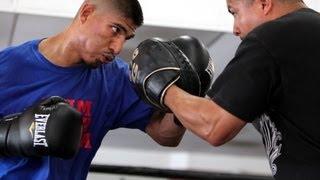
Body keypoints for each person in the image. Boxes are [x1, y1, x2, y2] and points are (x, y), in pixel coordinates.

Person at [131, 0, 320, 179]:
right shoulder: (308, 31)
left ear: (264, 3)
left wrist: (161, 83)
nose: (235, 29)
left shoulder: (272, 36)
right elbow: (167, 135)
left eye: (235, 12)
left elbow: (213, 126)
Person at [0, 0, 188, 179]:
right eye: (116, 29)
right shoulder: (7, 66)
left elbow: (166, 136)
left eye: (126, 37)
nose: (118, 47)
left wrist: (185, 95)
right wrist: (10, 134)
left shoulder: (117, 78)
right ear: (86, 13)